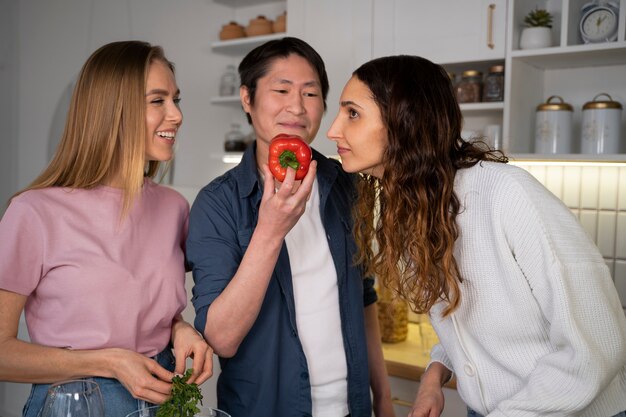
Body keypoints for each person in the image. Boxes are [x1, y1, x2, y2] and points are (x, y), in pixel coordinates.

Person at [327, 54, 626, 417]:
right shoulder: (414, 205)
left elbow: (597, 345)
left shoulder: (506, 194)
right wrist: (434, 377)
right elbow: (462, 320)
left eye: (352, 113)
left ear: (404, 122)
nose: (333, 130)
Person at [0, 40, 213, 417]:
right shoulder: (34, 212)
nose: (176, 115)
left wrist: (181, 330)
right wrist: (110, 362)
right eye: (157, 100)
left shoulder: (174, 208)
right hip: (76, 405)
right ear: (114, 110)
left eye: (176, 100)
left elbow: (140, 307)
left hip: (163, 401)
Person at [187, 37, 394, 417]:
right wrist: (270, 230)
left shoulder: (348, 184)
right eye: (281, 90)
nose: (296, 107)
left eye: (311, 93)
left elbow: (364, 301)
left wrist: (383, 397)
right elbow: (221, 337)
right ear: (247, 98)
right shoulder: (217, 204)